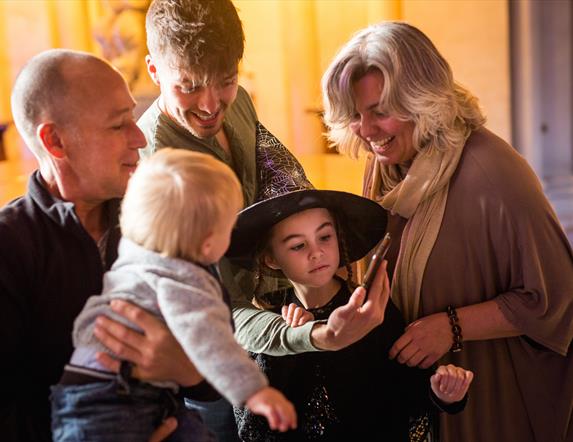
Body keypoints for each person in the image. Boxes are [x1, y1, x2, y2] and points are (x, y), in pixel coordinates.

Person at [135, 1, 391, 440]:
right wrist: (316, 337)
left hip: (285, 320)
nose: (211, 104)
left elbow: (282, 184)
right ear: (154, 71)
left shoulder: (239, 104)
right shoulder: (162, 173)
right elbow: (223, 312)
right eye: (189, 86)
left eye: (226, 80)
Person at [321, 21, 573, 442]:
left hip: (492, 402)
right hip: (420, 403)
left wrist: (452, 327)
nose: (365, 131)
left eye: (380, 111)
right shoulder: (385, 166)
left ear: (423, 99)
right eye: (356, 115)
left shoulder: (494, 173)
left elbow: (557, 296)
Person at [3, 48, 200, 442]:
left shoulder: (164, 221)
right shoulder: (10, 247)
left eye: (133, 115)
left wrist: (186, 368)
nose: (139, 136)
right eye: (118, 125)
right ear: (55, 141)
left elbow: (220, 359)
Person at [226, 137, 473, 441]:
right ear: (271, 259)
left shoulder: (368, 310)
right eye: (298, 245)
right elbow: (251, 428)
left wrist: (444, 394)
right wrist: (291, 345)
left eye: (325, 238)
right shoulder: (269, 326)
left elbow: (406, 391)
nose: (316, 253)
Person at [51, 148, 297, 441]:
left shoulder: (134, 252)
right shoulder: (186, 281)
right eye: (228, 228)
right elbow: (211, 341)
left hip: (77, 390)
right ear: (208, 245)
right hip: (119, 398)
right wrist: (255, 391)